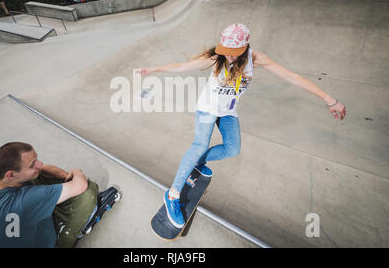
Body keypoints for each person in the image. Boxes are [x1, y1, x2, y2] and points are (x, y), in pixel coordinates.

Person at [136, 23, 346, 229]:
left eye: (233, 53)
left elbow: (292, 77)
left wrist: (328, 98)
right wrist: (155, 69)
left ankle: (196, 161)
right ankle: (172, 195)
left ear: (245, 47)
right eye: (226, 52)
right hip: (208, 108)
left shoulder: (256, 59)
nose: (228, 56)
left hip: (227, 110)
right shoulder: (216, 56)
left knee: (232, 149)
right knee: (199, 144)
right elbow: (183, 66)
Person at [0, 142, 100, 248]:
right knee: (89, 191)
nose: (40, 164)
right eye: (32, 164)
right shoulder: (24, 201)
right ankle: (65, 237)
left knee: (35, 175)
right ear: (10, 175)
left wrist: (65, 175)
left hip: (13, 236)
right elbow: (80, 185)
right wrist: (76, 172)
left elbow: (42, 168)